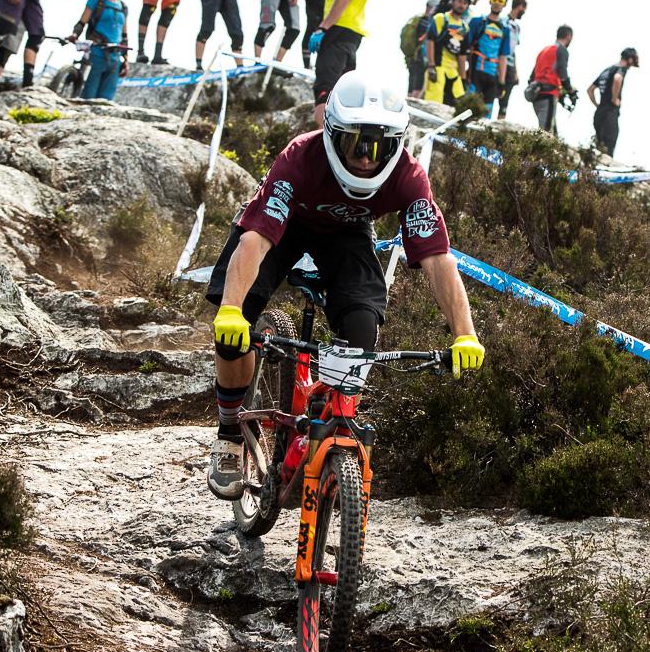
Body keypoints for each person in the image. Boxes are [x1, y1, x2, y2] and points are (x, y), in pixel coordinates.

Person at [204, 69, 484, 497]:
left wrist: (465, 336)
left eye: (379, 145)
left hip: (347, 235)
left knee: (361, 327)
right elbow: (257, 238)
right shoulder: (300, 157)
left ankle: (327, 420)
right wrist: (230, 309)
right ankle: (229, 433)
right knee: (236, 323)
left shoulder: (409, 177)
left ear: (398, 144)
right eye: (356, 143)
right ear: (332, 134)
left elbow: (436, 257)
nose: (367, 158)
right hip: (286, 226)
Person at [68, 0, 132, 100]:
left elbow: (124, 36)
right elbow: (81, 23)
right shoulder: (97, 1)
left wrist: (126, 60)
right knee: (88, 97)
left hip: (115, 58)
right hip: (96, 54)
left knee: (106, 100)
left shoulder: (123, 7)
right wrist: (74, 35)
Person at [423, 0, 473, 106]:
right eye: (459, 1)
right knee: (433, 103)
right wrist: (431, 65)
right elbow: (430, 42)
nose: (462, 5)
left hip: (453, 72)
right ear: (453, 1)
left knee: (460, 104)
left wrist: (463, 79)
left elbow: (462, 56)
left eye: (465, 3)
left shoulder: (465, 27)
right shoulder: (441, 18)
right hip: (438, 67)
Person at [587, 47, 638, 156]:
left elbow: (590, 90)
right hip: (609, 114)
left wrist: (597, 105)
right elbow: (617, 78)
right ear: (630, 59)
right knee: (607, 152)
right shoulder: (621, 69)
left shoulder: (607, 70)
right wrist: (614, 98)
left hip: (599, 113)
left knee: (599, 149)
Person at [466, 0, 511, 107]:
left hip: (492, 74)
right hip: (475, 71)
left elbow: (503, 56)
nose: (497, 3)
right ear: (490, 1)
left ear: (505, 4)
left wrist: (502, 82)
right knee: (470, 106)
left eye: (500, 1)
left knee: (487, 111)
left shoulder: (505, 29)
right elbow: (466, 47)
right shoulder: (477, 22)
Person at [528, 25, 574, 135]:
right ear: (568, 36)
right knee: (546, 133)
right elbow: (563, 74)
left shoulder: (544, 50)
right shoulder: (561, 50)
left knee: (551, 131)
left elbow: (531, 76)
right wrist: (570, 91)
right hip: (548, 94)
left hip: (536, 94)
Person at [499, 0, 526, 120]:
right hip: (498, 63)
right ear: (520, 6)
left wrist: (516, 72)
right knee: (493, 94)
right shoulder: (503, 21)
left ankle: (498, 125)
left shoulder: (517, 27)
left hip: (510, 67)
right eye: (524, 9)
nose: (524, 12)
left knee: (504, 102)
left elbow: (513, 50)